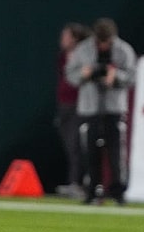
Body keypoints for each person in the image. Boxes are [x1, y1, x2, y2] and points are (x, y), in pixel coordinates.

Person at [65, 18, 136, 206]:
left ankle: (118, 191)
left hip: (114, 108)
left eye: (107, 42)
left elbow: (132, 76)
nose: (104, 45)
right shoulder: (83, 50)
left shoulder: (123, 50)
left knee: (116, 151)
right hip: (89, 108)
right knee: (90, 151)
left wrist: (115, 77)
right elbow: (70, 75)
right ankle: (92, 190)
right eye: (101, 41)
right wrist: (85, 74)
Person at [54, 22, 91, 199]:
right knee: (70, 145)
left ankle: (79, 184)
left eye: (66, 36)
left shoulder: (83, 56)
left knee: (76, 145)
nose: (62, 40)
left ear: (74, 39)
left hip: (79, 105)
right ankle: (74, 182)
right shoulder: (63, 56)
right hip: (64, 105)